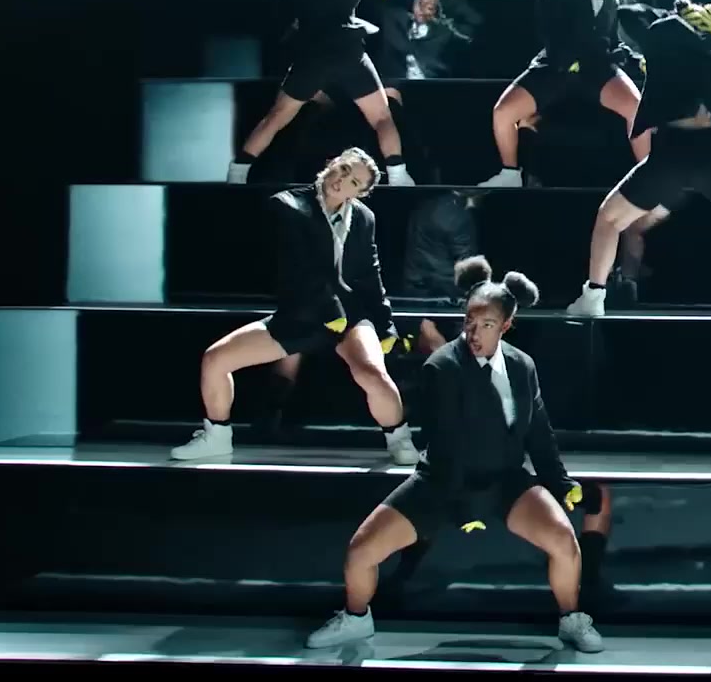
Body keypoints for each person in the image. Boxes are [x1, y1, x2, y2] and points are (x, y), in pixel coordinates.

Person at [304, 262, 605, 653]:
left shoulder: (522, 365)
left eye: (486, 325)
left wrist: (561, 484)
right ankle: (356, 618)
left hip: (506, 479)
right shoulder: (442, 366)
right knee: (361, 551)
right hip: (444, 481)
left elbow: (538, 431)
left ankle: (572, 620)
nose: (474, 333)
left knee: (564, 540)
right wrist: (467, 509)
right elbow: (449, 446)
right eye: (469, 322)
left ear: (506, 326)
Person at [174, 149, 417, 463]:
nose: (342, 181)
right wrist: (330, 311)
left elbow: (370, 274)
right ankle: (216, 437)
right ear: (331, 164)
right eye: (343, 169)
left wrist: (385, 326)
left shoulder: (363, 218)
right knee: (215, 359)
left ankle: (400, 441)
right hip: (302, 314)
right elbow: (304, 269)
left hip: (351, 317)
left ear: (360, 193)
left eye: (354, 182)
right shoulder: (289, 204)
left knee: (372, 373)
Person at [568, 0, 711, 319]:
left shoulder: (662, 37)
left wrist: (678, 16)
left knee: (610, 218)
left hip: (670, 156)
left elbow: (630, 14)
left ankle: (593, 296)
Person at [228, 0, 415, 186]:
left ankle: (238, 171)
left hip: (312, 51)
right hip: (348, 51)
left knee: (277, 116)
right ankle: (398, 175)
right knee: (382, 117)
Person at [481, 0, 647, 188]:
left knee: (638, 109)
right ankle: (510, 173)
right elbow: (549, 24)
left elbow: (613, 39)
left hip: (597, 68)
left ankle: (647, 176)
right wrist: (569, 60)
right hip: (557, 66)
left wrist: (635, 58)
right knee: (503, 112)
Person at [399, 190, 487, 353]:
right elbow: (469, 265)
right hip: (446, 296)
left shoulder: (426, 206)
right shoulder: (458, 215)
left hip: (417, 289)